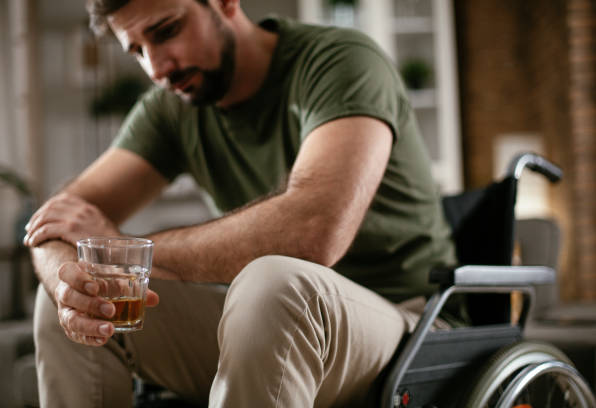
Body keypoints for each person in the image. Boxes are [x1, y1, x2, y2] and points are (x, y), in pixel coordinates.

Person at [24, 0, 456, 406]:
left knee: (274, 282)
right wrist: (68, 284)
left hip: (410, 326)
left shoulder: (340, 62)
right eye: (137, 49)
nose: (157, 67)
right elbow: (54, 220)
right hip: (267, 325)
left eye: (167, 30)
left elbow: (312, 231)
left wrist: (129, 249)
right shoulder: (170, 108)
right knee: (75, 303)